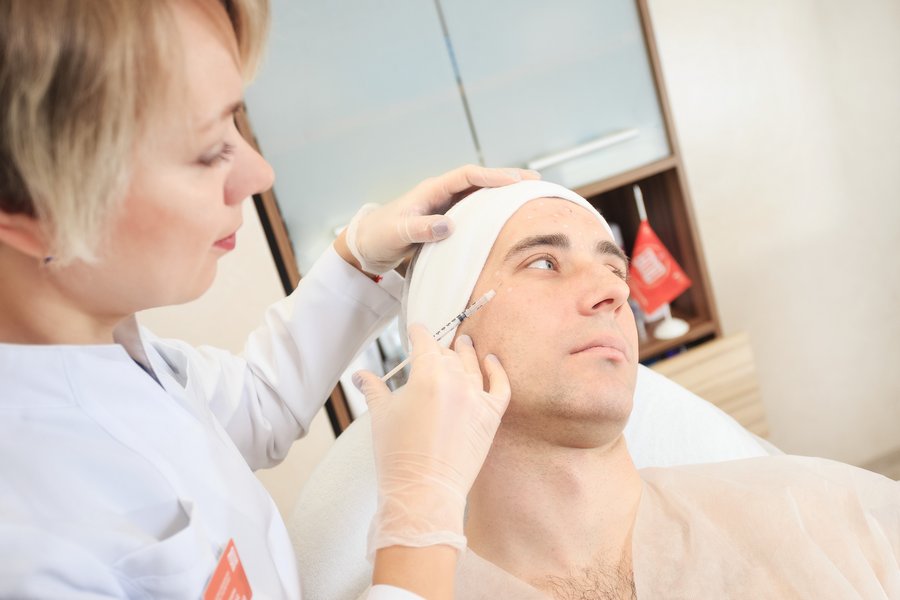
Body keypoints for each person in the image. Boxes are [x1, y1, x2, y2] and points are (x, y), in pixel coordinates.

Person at [0, 1, 536, 598]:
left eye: (237, 121)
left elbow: (255, 402)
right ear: (27, 208)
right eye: (209, 150)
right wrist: (420, 520)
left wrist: (359, 259)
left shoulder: (108, 348)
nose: (259, 174)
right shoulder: (25, 549)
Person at [356, 180, 900, 599]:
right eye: (544, 262)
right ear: (443, 336)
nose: (613, 293)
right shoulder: (413, 585)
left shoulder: (811, 515)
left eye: (615, 270)